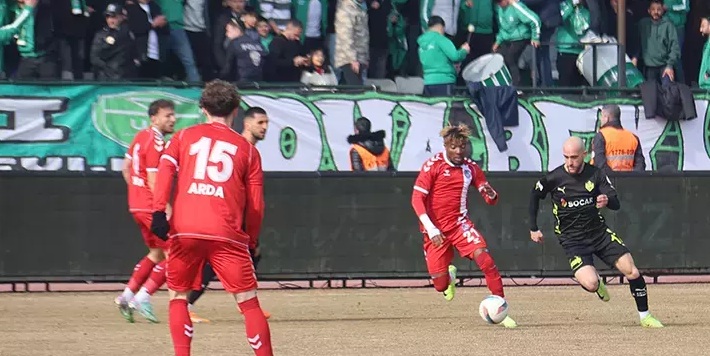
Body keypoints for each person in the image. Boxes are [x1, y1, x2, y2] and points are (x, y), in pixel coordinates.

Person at [151, 80, 272, 356]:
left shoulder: (182, 137)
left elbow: (165, 169)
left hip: (185, 229)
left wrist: (159, 210)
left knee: (178, 297)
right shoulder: (249, 150)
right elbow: (255, 205)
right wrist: (251, 240)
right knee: (248, 303)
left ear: (202, 108)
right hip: (226, 232)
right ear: (236, 110)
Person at [528, 136, 664, 328]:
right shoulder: (554, 178)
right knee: (591, 283)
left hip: (599, 234)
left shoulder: (596, 174)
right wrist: (533, 228)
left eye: (574, 157)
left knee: (631, 270)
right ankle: (598, 285)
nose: (569, 162)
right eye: (566, 157)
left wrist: (607, 201)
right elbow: (534, 195)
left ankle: (646, 316)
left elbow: (616, 203)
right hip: (572, 241)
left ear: (584, 155)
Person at [411, 124, 517, 329]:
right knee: (440, 285)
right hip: (435, 231)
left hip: (459, 225)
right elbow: (416, 199)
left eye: (462, 147)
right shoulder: (432, 166)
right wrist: (431, 229)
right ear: (445, 146)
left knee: (485, 260)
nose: (458, 151)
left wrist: (491, 195)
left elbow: (489, 196)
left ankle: (501, 310)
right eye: (453, 147)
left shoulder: (471, 168)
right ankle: (449, 276)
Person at [187, 106, 272, 324]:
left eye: (266, 123)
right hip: (227, 215)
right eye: (260, 123)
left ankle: (245, 303)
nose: (265, 127)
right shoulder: (238, 146)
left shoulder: (249, 149)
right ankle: (188, 304)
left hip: (240, 215)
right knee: (212, 262)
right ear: (246, 123)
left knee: (253, 255)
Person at [114, 99, 176, 323]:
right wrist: (165, 207)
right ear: (154, 118)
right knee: (175, 254)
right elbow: (153, 179)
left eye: (173, 115)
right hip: (151, 207)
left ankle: (126, 294)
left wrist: (135, 193)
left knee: (156, 253)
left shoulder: (140, 136)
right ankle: (143, 296)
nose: (173, 119)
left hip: (136, 205)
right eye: (167, 115)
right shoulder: (157, 143)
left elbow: (126, 168)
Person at [417, 16, 469, 96]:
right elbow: (455, 56)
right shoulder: (441, 39)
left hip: (428, 82)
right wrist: (464, 50)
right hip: (444, 81)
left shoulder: (421, 44)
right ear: (441, 27)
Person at [590, 104, 646, 174]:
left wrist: (613, 179)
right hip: (629, 182)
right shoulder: (633, 137)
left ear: (606, 117)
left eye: (602, 116)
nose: (601, 119)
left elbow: (599, 163)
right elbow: (640, 165)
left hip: (607, 182)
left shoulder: (601, 136)